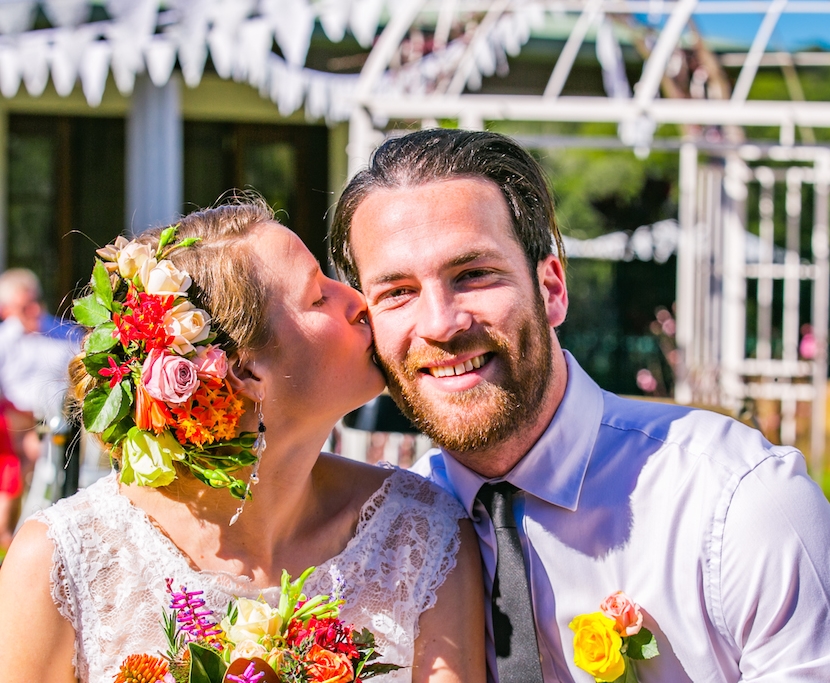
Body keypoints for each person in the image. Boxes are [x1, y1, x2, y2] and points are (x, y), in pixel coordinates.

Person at [329, 128, 830, 682]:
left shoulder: (737, 502)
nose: (441, 324)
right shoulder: (390, 539)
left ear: (552, 289)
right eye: (397, 292)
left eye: (473, 275)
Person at [0, 201, 485, 683]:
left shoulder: (423, 536)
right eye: (319, 295)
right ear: (247, 370)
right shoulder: (60, 564)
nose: (360, 301)